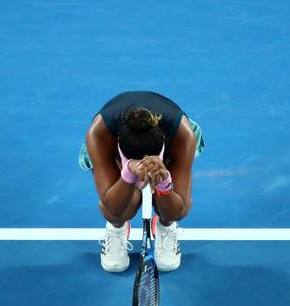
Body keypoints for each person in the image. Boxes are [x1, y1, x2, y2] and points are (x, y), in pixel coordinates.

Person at [79, 91, 205, 272]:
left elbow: (178, 209)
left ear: (163, 143)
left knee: (176, 210)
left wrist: (164, 182)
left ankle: (165, 227)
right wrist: (128, 173)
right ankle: (117, 229)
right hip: (112, 145)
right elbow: (111, 206)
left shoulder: (182, 136)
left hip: (172, 141)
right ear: (119, 145)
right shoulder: (99, 135)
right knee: (116, 212)